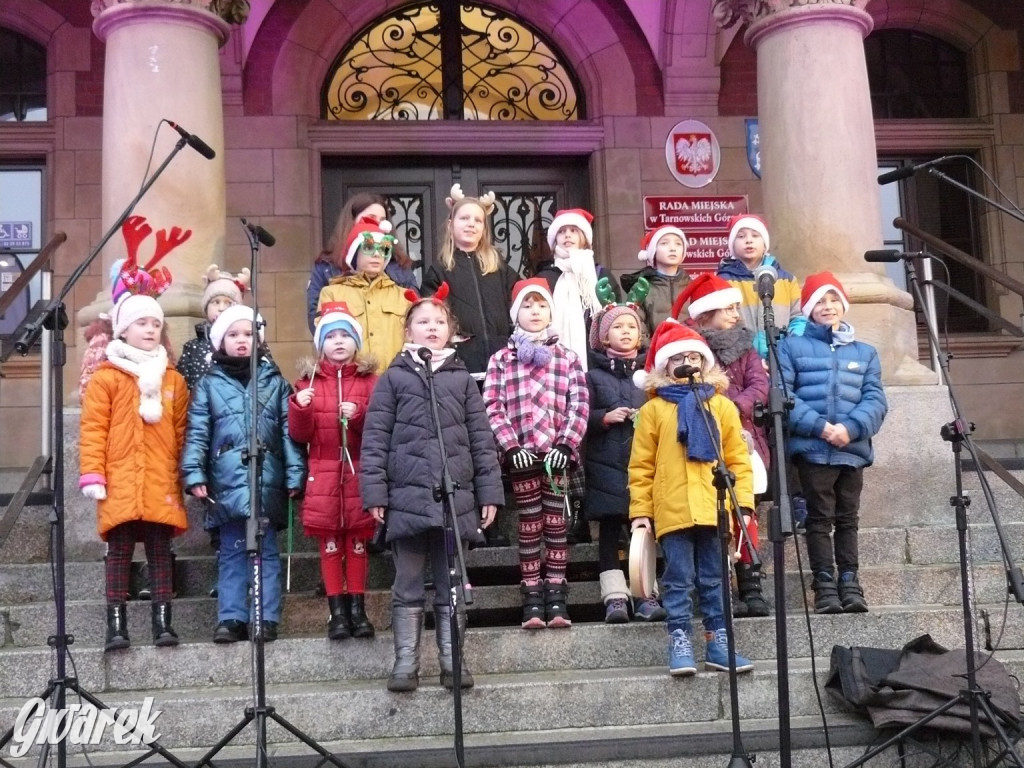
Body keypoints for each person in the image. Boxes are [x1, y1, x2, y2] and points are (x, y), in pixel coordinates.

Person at [361, 284, 504, 692]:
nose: (431, 328)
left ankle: (452, 661)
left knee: (451, 583)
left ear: (451, 332)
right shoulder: (392, 379)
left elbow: (481, 439)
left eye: (439, 322)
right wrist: (376, 493)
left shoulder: (461, 380)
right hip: (406, 499)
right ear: (408, 332)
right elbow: (375, 439)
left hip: (452, 498)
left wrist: (489, 493)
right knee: (407, 582)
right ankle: (405, 664)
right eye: (422, 322)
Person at [629, 321, 755, 676]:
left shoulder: (722, 407)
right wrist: (641, 512)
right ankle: (680, 638)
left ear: (705, 362)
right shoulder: (653, 411)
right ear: (665, 366)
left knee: (715, 577)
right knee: (679, 578)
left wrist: (743, 506)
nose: (687, 362)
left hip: (714, 508)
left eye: (693, 356)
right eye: (678, 357)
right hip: (671, 510)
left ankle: (719, 641)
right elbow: (640, 466)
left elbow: (737, 461)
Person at [181, 305, 307, 643]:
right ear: (221, 342)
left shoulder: (276, 383)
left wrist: (295, 472)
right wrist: (193, 473)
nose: (242, 341)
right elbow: (197, 432)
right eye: (234, 335)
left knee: (265, 552)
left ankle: (265, 616)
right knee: (233, 550)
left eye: (249, 334)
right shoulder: (208, 384)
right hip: (226, 482)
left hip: (266, 480)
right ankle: (232, 616)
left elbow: (288, 431)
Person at [79, 290, 189, 652]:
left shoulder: (172, 379)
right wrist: (93, 473)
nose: (150, 329)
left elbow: (181, 431)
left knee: (160, 551)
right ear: (124, 329)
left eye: (156, 323)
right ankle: (116, 625)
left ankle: (163, 623)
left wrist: (184, 472)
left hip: (159, 478)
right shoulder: (106, 378)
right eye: (142, 323)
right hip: (121, 479)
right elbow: (94, 428)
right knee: (119, 551)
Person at [778, 272, 887, 614]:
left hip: (851, 451)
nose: (827, 307)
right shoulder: (791, 347)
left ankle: (851, 583)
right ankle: (824, 585)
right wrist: (822, 428)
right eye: (819, 302)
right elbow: (784, 395)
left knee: (848, 518)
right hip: (813, 449)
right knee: (819, 517)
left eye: (833, 300)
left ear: (843, 304)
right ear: (809, 308)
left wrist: (851, 429)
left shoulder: (865, 353)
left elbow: (875, 400)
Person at [483, 278, 589, 629]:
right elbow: (493, 406)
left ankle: (557, 594)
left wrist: (565, 443)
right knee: (530, 524)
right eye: (527, 306)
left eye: (541, 305)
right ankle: (531, 593)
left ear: (550, 312)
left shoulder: (568, 358)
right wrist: (510, 447)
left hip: (556, 458)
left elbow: (580, 405)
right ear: (517, 314)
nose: (535, 312)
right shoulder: (502, 360)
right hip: (524, 457)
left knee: (556, 524)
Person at [677, 273, 771, 618]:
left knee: (745, 512)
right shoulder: (687, 349)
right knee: (712, 517)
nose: (735, 313)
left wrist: (730, 410)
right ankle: (717, 587)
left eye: (736, 307)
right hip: (701, 441)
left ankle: (751, 584)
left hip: (741, 439)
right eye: (728, 308)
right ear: (706, 314)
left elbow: (759, 386)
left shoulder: (746, 348)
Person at [289, 302, 378, 640]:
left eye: (345, 335)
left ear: (356, 341)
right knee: (329, 545)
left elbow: (378, 425)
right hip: (323, 471)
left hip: (358, 469)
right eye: (331, 336)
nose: (338, 342)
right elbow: (300, 434)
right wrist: (300, 408)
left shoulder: (370, 382)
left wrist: (356, 415)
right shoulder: (307, 383)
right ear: (321, 344)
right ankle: (336, 613)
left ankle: (358, 609)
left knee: (357, 543)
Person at [584, 289, 666, 624]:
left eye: (632, 326)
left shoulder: (651, 375)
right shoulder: (592, 375)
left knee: (645, 530)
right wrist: (603, 417)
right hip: (605, 464)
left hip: (644, 465)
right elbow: (581, 414)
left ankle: (646, 592)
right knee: (608, 532)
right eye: (618, 327)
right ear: (604, 337)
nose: (626, 331)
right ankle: (615, 596)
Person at [420, 184, 520, 376]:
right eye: (464, 218)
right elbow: (430, 314)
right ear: (451, 224)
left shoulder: (497, 265)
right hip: (460, 364)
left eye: (478, 220)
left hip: (502, 362)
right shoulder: (440, 269)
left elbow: (519, 302)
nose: (471, 224)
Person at [307, 193, 418, 334]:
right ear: (352, 221)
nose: (377, 225)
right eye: (370, 219)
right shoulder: (326, 266)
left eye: (382, 220)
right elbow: (316, 321)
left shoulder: (399, 264)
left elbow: (416, 316)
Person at [316, 216, 411, 373]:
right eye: (369, 247)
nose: (377, 254)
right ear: (354, 254)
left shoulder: (404, 296)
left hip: (394, 383)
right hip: (351, 384)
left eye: (384, 248)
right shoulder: (332, 293)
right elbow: (325, 342)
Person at [716, 214, 803, 359]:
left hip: (783, 358)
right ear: (732, 244)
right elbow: (722, 324)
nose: (749, 240)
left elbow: (799, 318)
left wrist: (789, 347)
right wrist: (748, 357)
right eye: (741, 236)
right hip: (743, 359)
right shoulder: (723, 281)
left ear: (765, 244)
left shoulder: (786, 280)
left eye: (755, 235)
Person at [177, 264, 251, 389]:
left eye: (228, 303)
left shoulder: (250, 341)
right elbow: (182, 389)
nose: (221, 308)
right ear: (206, 307)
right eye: (215, 302)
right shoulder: (193, 347)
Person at [621, 224, 692, 338]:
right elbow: (636, 325)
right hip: (653, 352)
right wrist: (650, 351)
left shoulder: (693, 287)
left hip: (689, 352)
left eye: (678, 244)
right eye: (664, 243)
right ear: (653, 251)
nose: (672, 248)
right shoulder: (641, 288)